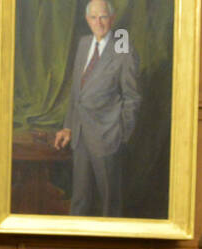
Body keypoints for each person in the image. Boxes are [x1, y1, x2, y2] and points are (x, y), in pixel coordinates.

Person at [53, 0, 140, 217]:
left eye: (103, 17)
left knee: (110, 205)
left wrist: (121, 135)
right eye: (93, 17)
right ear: (87, 19)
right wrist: (68, 128)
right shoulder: (83, 44)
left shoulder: (123, 49)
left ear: (112, 19)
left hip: (108, 139)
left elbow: (132, 98)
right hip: (81, 136)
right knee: (80, 202)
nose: (98, 22)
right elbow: (77, 93)